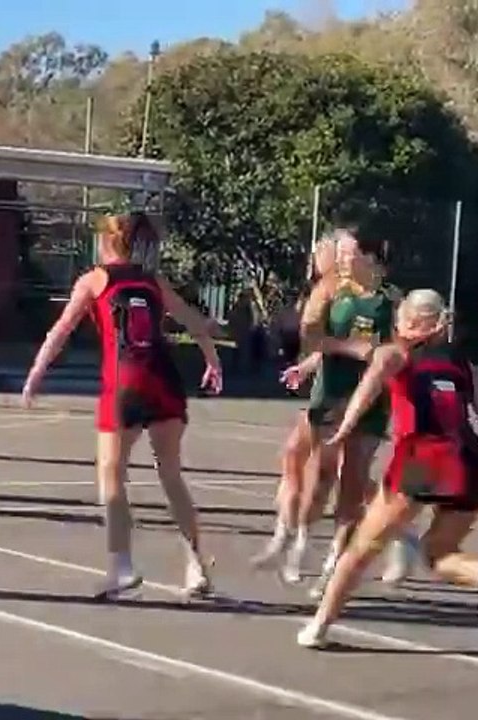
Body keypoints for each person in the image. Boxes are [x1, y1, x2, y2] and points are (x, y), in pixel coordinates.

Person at [298, 289, 478, 647]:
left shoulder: (394, 353)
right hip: (470, 463)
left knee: (360, 549)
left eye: (399, 316)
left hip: (424, 459)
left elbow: (366, 390)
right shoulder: (462, 365)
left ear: (412, 323)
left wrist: (343, 430)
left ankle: (318, 627)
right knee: (438, 552)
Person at [21, 212, 222, 598]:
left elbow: (60, 330)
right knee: (171, 476)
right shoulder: (153, 281)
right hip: (164, 380)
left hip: (125, 383)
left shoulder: (93, 280)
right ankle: (196, 565)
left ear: (107, 242)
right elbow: (194, 322)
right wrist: (213, 361)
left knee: (112, 475)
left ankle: (122, 566)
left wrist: (36, 373)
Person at [286, 230, 407, 598]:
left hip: (371, 400)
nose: (340, 259)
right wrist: (346, 348)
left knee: (353, 483)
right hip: (332, 395)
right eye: (337, 253)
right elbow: (308, 335)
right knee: (319, 475)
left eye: (348, 253)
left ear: (370, 258)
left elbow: (402, 350)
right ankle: (302, 541)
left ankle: (332, 565)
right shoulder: (331, 290)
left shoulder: (392, 300)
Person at [251, 235, 337, 579]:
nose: (315, 257)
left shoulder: (346, 296)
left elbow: (338, 345)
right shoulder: (316, 288)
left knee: (329, 474)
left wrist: (306, 366)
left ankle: (298, 543)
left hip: (340, 391)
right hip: (318, 388)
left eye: (321, 252)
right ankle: (285, 536)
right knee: (294, 458)